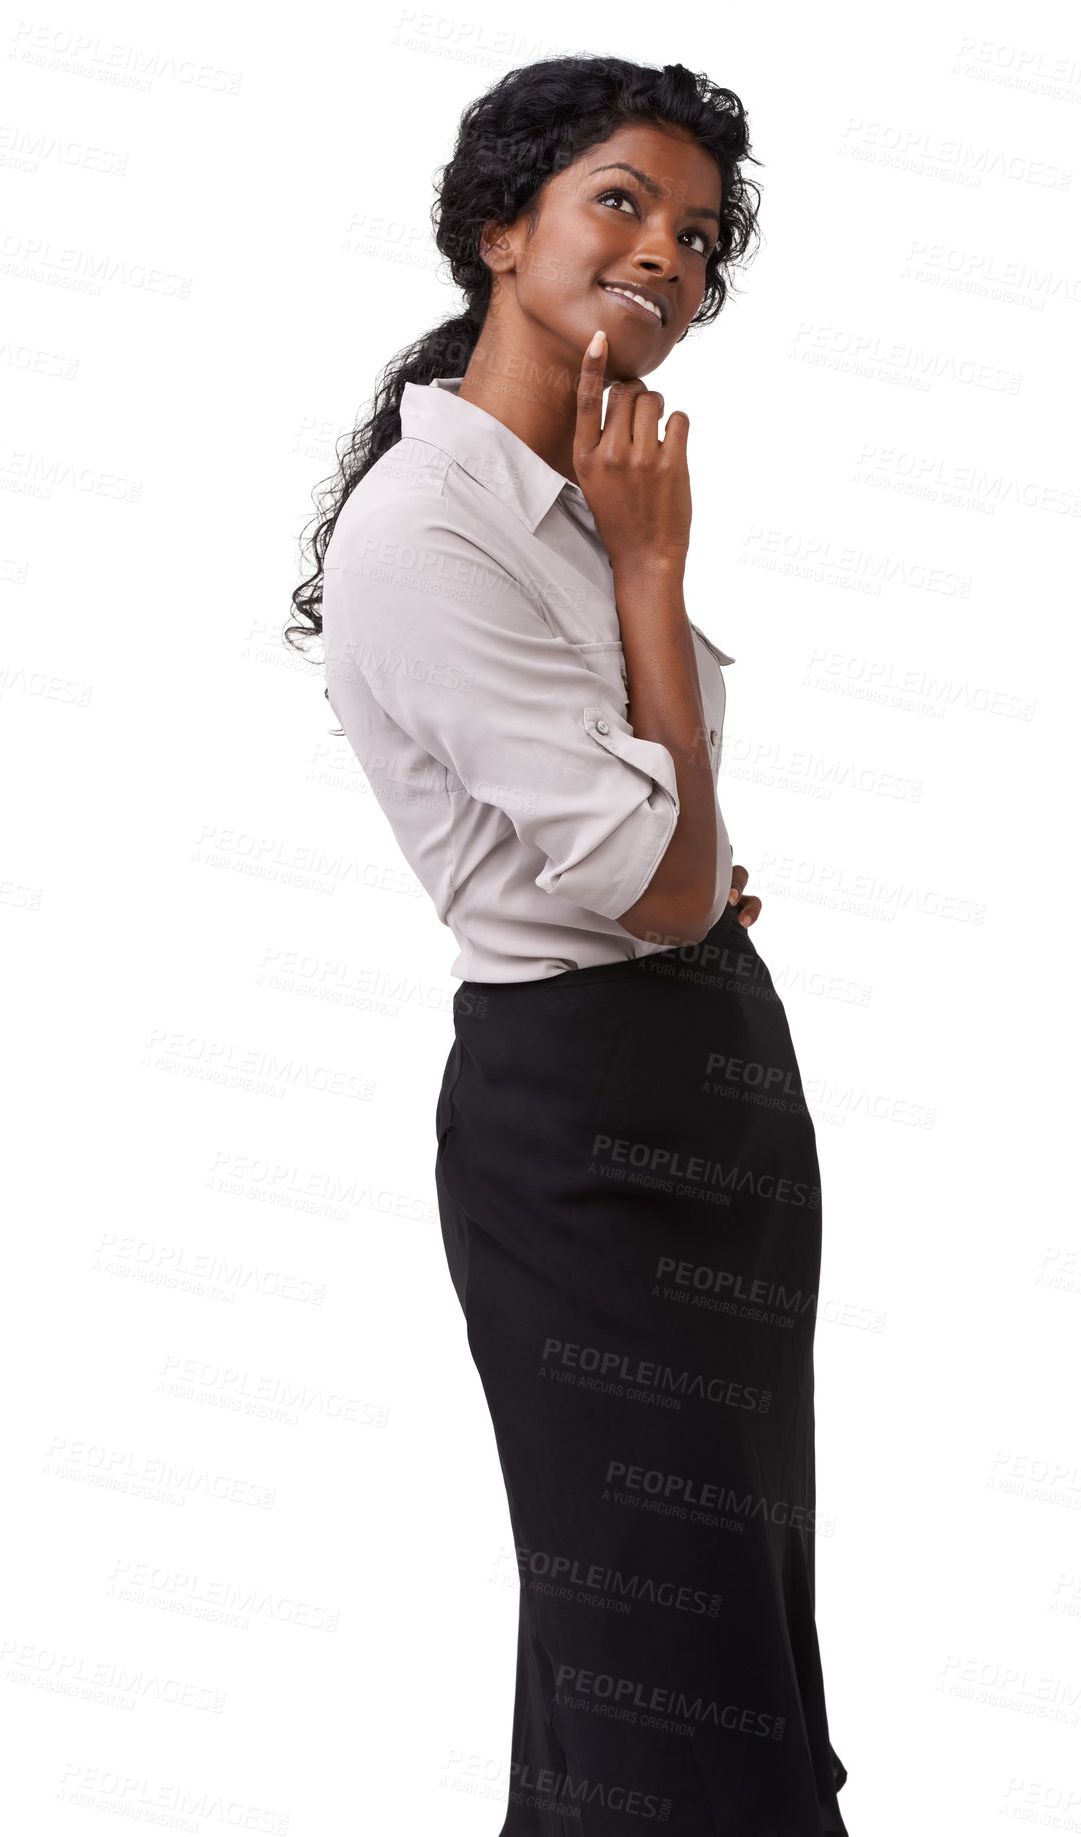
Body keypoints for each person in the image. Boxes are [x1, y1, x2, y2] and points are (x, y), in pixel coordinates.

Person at [287, 53, 850, 1837]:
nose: (667, 255)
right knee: (652, 1638)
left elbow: (667, 863)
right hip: (586, 1128)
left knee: (715, 1619)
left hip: (712, 1094)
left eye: (698, 236)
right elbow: (660, 881)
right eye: (621, 201)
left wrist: (684, 876)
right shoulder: (433, 527)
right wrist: (649, 583)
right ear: (495, 224)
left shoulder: (573, 495)